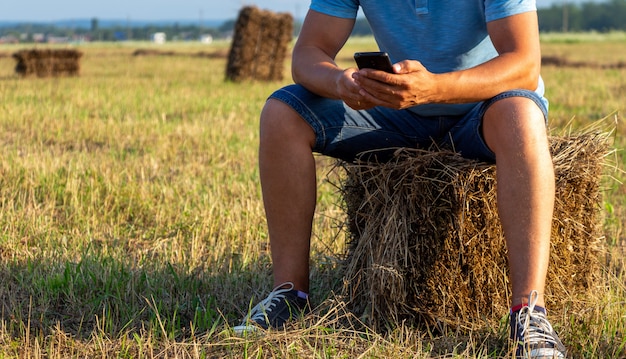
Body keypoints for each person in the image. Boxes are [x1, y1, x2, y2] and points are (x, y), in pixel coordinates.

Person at [234, 0, 567, 357]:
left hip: (483, 110)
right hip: (397, 114)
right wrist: (339, 82)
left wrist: (434, 88)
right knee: (281, 114)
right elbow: (307, 54)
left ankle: (529, 314)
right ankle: (289, 296)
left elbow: (524, 65)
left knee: (522, 115)